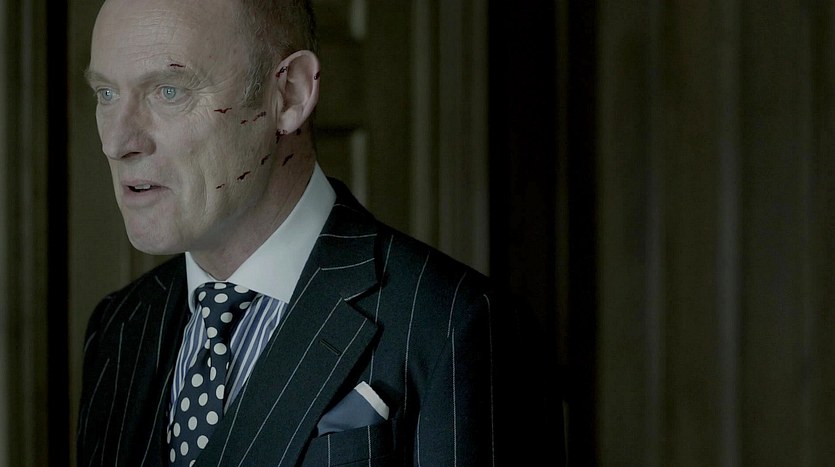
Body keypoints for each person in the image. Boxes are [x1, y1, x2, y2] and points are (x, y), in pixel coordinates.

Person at [76, 0, 564, 465]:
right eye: (106, 94)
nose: (118, 142)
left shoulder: (456, 325)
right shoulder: (119, 325)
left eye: (169, 91)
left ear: (289, 95)